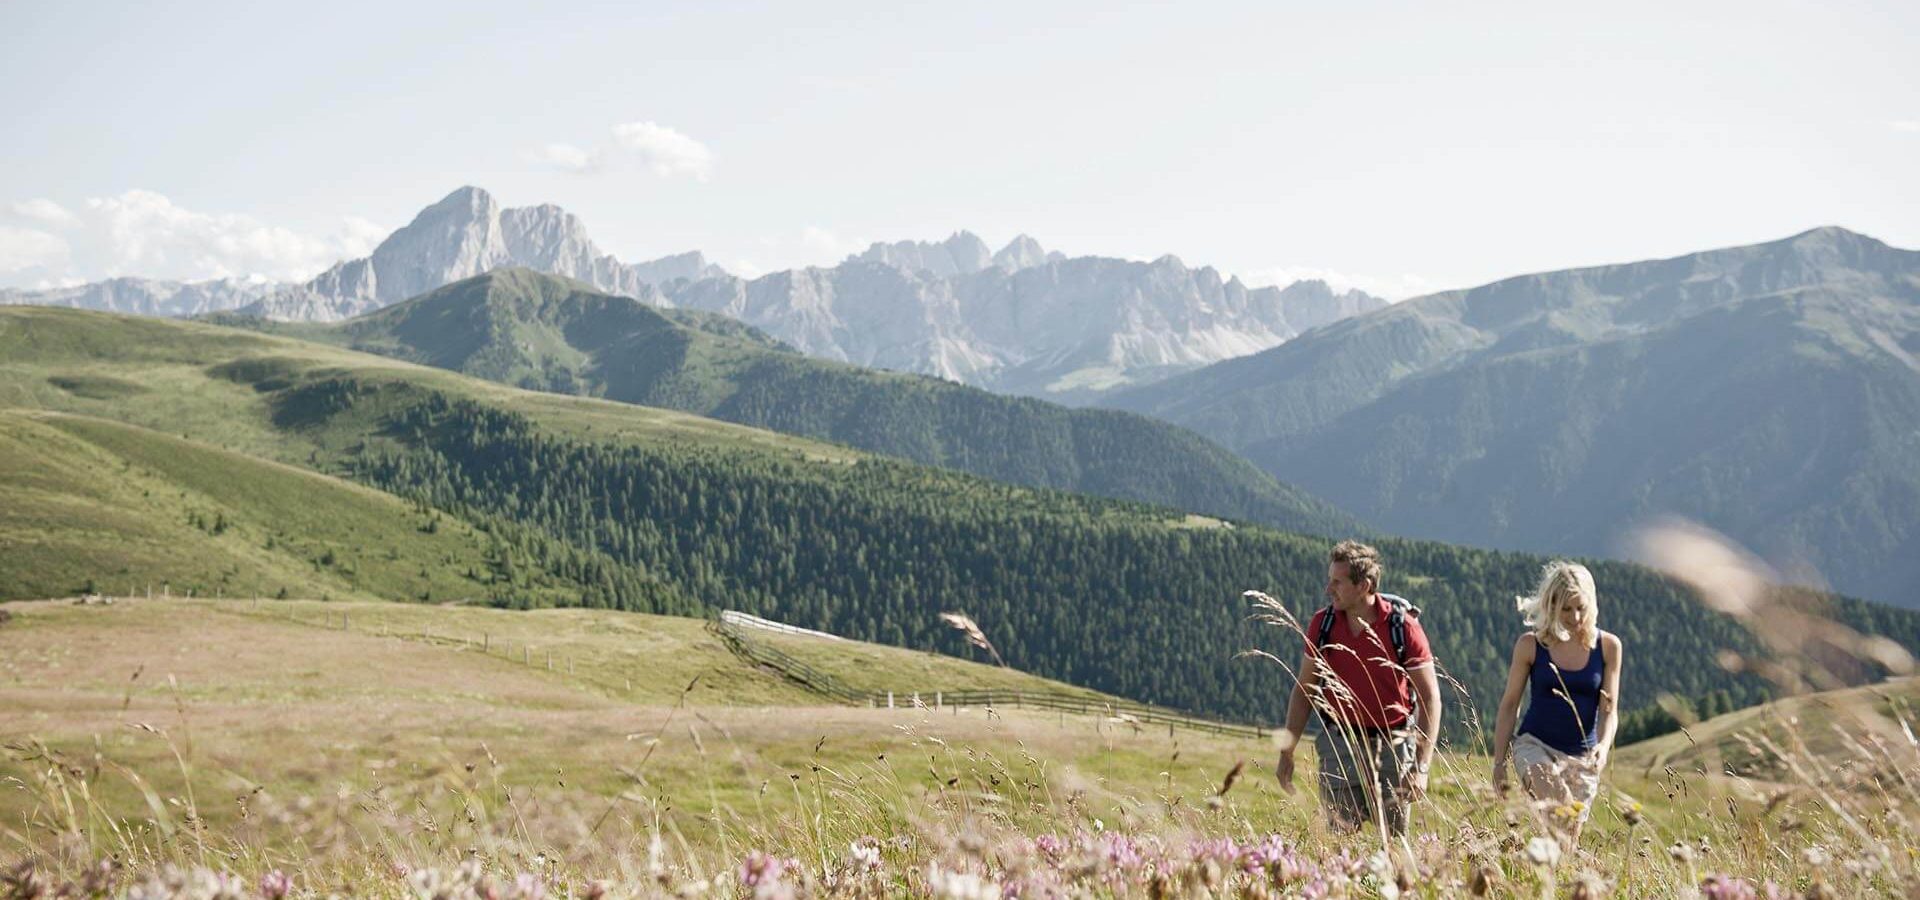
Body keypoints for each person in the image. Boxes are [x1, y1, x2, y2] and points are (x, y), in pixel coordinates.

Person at [1275, 541, 1443, 836]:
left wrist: (1421, 767)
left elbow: (1430, 699)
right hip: (1339, 744)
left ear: (1364, 585)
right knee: (1340, 847)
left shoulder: (1402, 628)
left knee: (1393, 848)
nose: (1329, 589)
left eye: (1337, 582)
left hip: (1393, 747)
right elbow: (1304, 691)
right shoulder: (1323, 624)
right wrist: (1287, 751)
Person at [1491, 561, 1623, 847]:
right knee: (1561, 810)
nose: (1575, 617)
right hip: (1535, 746)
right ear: (1551, 605)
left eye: (1581, 607)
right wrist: (1499, 762)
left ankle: (1534, 876)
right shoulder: (1531, 645)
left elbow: (1609, 710)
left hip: (1583, 758)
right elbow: (1509, 704)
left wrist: (1602, 746)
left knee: (1565, 843)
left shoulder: (1609, 647)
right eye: (1566, 609)